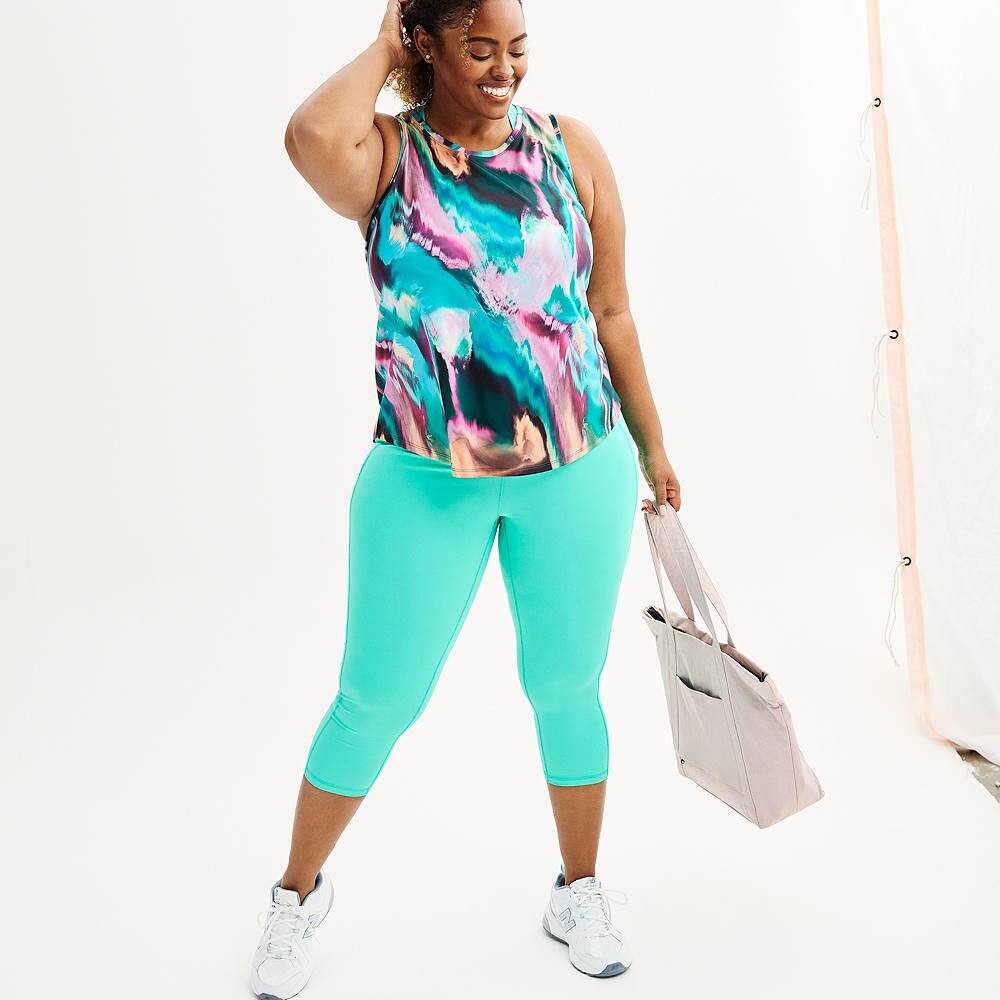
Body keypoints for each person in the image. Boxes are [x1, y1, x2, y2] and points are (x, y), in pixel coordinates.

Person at [250, 0, 680, 995]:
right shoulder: (385, 157)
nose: (503, 69)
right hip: (424, 478)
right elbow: (308, 136)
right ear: (427, 44)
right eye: (479, 47)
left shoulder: (569, 148)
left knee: (567, 687)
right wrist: (383, 43)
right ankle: (294, 896)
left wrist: (654, 443)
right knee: (373, 700)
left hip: (577, 466)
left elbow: (611, 308)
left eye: (518, 48)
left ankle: (578, 889)